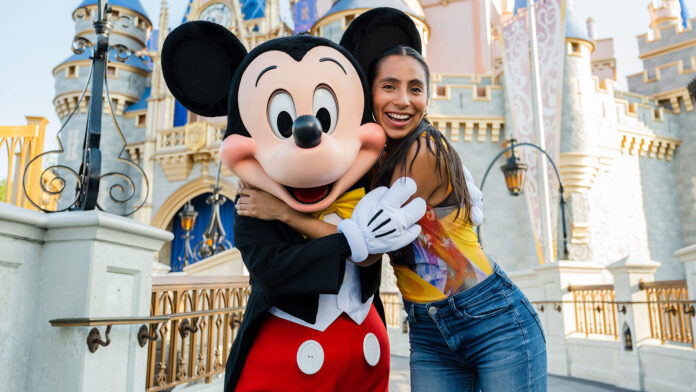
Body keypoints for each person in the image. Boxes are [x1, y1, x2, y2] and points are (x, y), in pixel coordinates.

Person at [235, 18, 547, 392]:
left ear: (428, 99)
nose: (402, 100)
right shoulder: (378, 159)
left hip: (492, 319)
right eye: (389, 86)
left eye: (415, 88)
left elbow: (365, 251)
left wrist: (283, 212)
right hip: (428, 328)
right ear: (369, 94)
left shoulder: (423, 151)